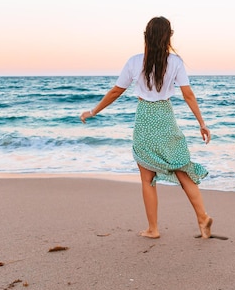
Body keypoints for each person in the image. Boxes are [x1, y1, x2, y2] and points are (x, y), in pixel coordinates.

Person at [80, 16, 213, 239]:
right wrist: (202, 123)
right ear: (169, 37)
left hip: (145, 119)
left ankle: (153, 229)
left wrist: (93, 112)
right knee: (182, 168)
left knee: (146, 178)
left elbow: (115, 92)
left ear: (146, 36)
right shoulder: (176, 62)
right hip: (166, 117)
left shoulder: (134, 62)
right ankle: (202, 217)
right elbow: (188, 94)